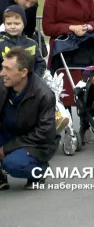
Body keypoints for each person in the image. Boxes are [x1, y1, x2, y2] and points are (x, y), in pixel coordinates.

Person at [0, 47, 58, 190]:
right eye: (2, 68)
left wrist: (6, 149)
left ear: (23, 72)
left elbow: (44, 133)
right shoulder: (3, 85)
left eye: (8, 69)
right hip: (8, 133)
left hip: (33, 143)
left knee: (13, 164)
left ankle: (39, 170)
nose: (2, 73)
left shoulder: (44, 95)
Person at [42, 0, 94, 67]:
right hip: (63, 48)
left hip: (86, 46)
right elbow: (47, 28)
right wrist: (71, 28)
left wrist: (87, 27)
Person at [0, 5, 46, 77]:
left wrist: (36, 79)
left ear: (24, 24)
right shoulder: (1, 43)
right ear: (4, 24)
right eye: (9, 24)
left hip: (28, 84)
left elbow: (40, 64)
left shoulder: (32, 44)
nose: (12, 26)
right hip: (5, 84)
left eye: (17, 23)